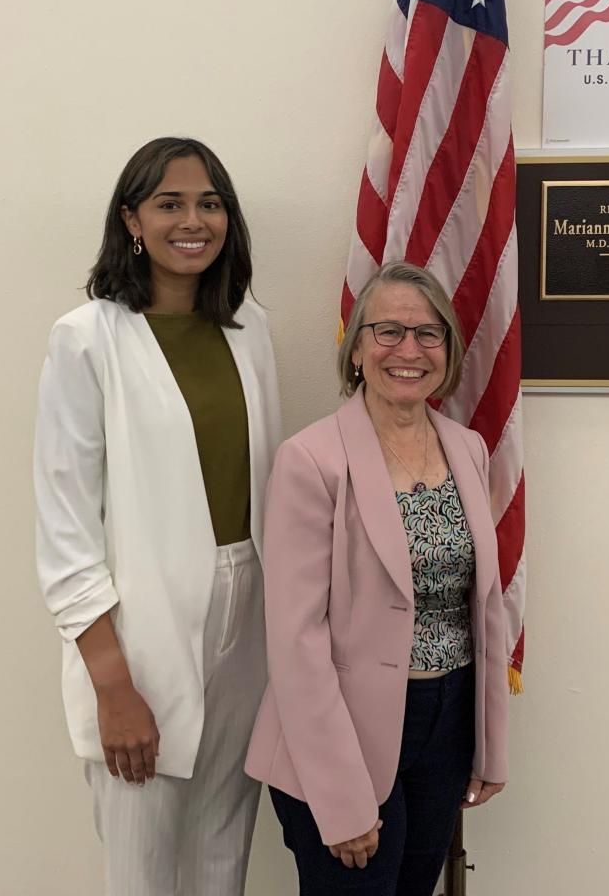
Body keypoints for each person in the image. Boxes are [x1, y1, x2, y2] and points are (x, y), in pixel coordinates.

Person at [34, 136, 281, 896]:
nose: (193, 220)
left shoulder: (250, 328)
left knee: (221, 854)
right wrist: (114, 687)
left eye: (210, 203)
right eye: (170, 203)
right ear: (132, 220)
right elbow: (66, 532)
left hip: (251, 615)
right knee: (141, 869)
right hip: (139, 630)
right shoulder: (87, 339)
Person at [245, 262, 508, 896]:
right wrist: (339, 799)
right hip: (340, 736)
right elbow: (296, 637)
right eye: (387, 331)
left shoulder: (466, 448)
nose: (409, 350)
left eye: (428, 333)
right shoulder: (312, 460)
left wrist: (488, 742)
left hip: (445, 722)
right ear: (357, 347)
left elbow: (485, 606)